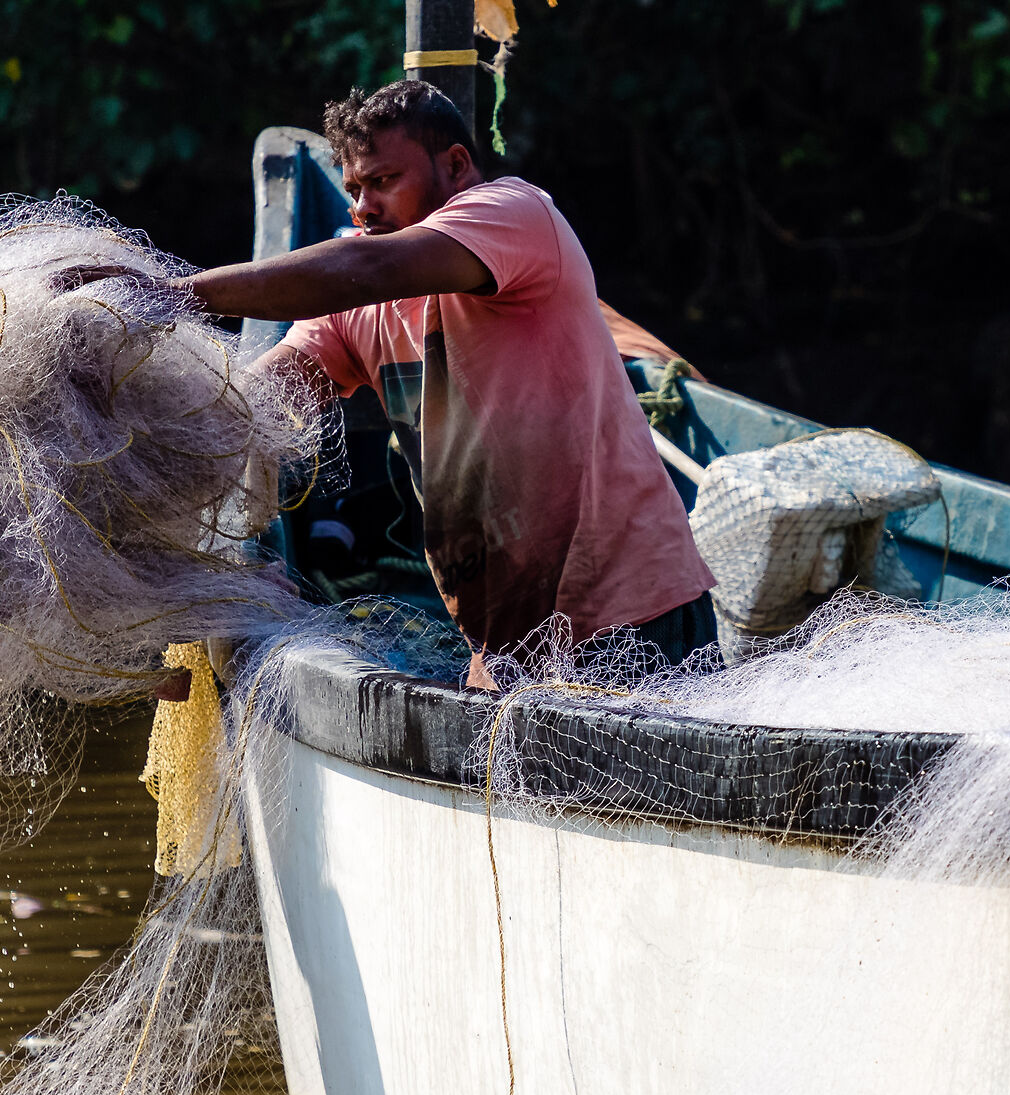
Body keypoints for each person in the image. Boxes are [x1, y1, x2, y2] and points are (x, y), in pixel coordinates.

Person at [166, 81, 717, 687]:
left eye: (383, 181)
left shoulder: (515, 214)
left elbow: (366, 268)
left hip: (633, 617)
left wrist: (173, 295)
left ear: (455, 166)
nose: (363, 209)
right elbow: (260, 397)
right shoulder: (354, 298)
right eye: (353, 190)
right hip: (503, 644)